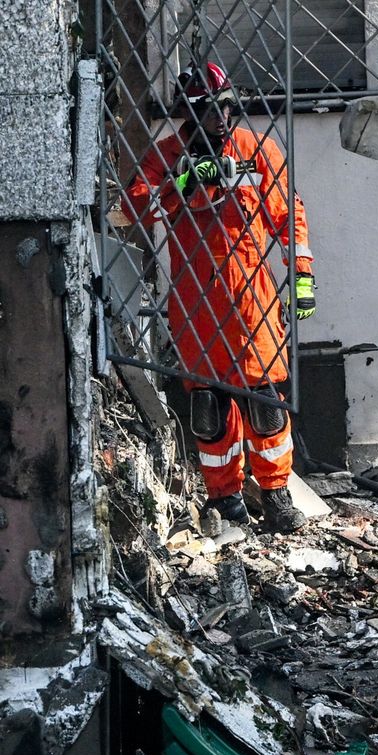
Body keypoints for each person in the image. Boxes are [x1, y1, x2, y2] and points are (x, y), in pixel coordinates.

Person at [120, 62, 314, 533]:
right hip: (196, 303)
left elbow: (289, 214)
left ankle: (276, 494)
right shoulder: (166, 155)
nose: (223, 118)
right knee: (210, 410)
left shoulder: (256, 150)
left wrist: (302, 274)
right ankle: (225, 498)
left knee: (266, 402)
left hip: (253, 299)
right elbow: (130, 210)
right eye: (212, 110)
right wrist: (184, 181)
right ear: (191, 113)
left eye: (228, 107)